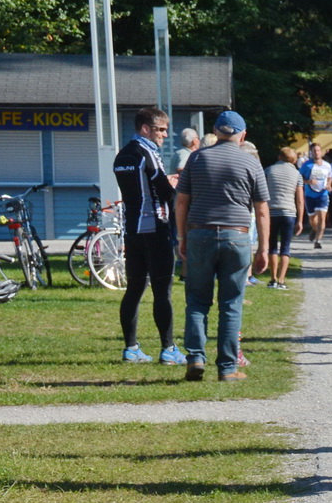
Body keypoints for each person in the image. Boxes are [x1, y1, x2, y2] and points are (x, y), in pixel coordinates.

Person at [175, 111, 271, 381]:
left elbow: (181, 201)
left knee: (196, 299)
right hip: (237, 236)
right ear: (243, 135)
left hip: (200, 234)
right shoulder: (251, 163)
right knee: (231, 303)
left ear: (216, 132)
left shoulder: (196, 158)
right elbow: (262, 209)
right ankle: (228, 367)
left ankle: (195, 357)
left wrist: (182, 238)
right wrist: (263, 249)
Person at [111, 106, 185, 364]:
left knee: (134, 289)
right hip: (156, 227)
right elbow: (164, 192)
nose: (165, 135)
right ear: (146, 129)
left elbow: (139, 189)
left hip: (133, 229)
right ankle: (169, 349)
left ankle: (131, 348)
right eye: (161, 130)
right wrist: (173, 182)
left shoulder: (122, 155)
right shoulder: (147, 153)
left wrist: (164, 182)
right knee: (162, 290)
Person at [264, 146, 305, 289]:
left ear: (280, 157)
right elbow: (300, 199)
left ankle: (273, 279)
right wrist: (300, 220)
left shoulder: (268, 171)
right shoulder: (297, 174)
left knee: (272, 246)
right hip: (289, 212)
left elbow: (261, 192)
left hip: (271, 212)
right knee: (285, 247)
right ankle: (282, 280)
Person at [303, 146, 332, 249]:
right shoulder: (307, 165)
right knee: (312, 219)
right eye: (314, 151)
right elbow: (300, 178)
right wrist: (308, 182)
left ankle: (318, 240)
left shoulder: (327, 165)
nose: (316, 153)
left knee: (322, 218)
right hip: (310, 194)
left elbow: (329, 177)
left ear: (322, 152)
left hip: (323, 194)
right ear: (311, 152)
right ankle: (315, 229)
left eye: (318, 150)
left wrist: (329, 184)